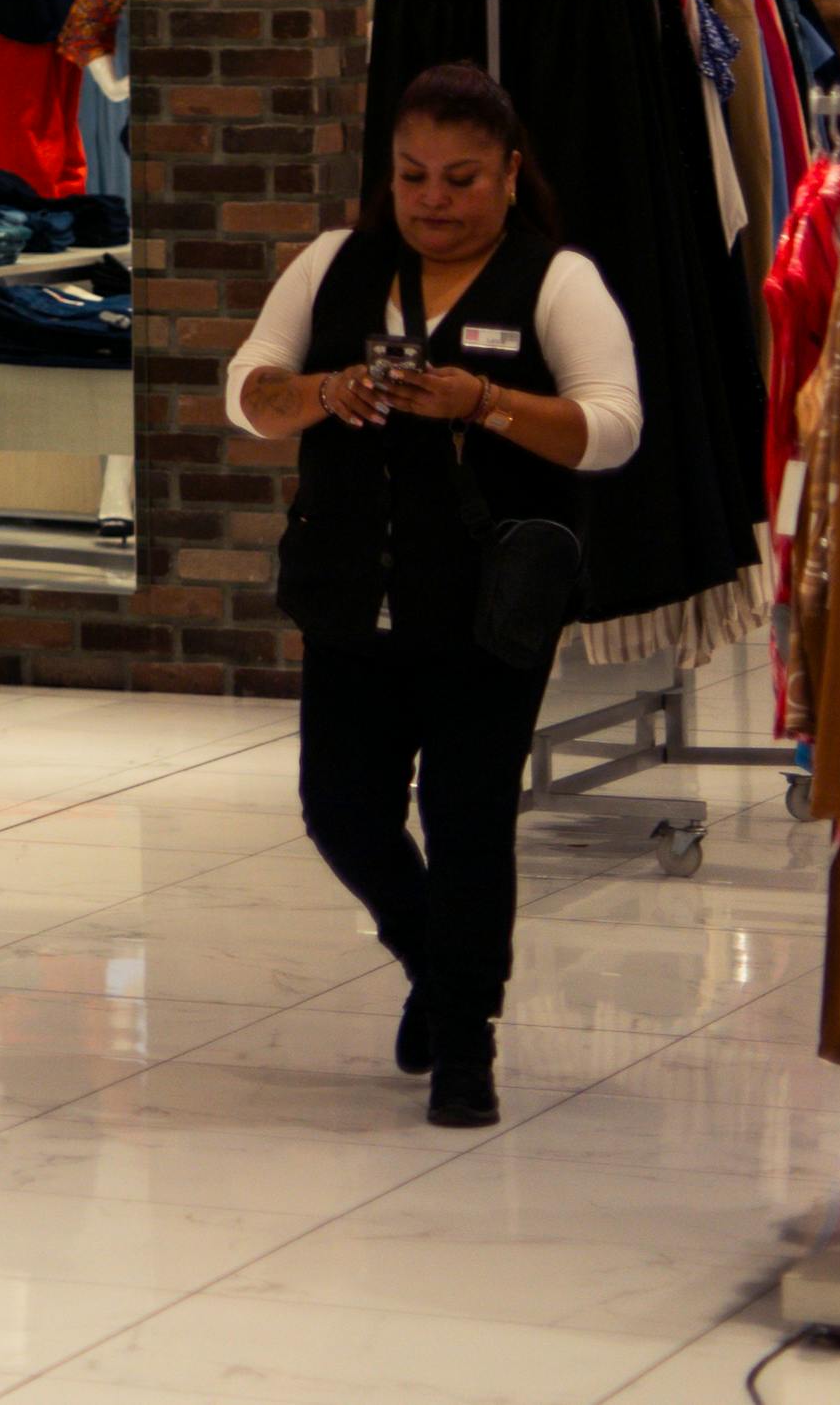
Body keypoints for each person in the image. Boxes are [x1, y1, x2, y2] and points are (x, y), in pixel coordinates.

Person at [224, 62, 643, 1127]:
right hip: (348, 598)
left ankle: (466, 1046)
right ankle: (434, 966)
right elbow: (251, 396)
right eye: (412, 176)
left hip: (485, 616)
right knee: (340, 813)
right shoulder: (334, 265)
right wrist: (330, 391)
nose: (434, 199)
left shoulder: (555, 279)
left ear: (509, 174)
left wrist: (485, 401)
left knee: (468, 825)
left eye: (460, 177)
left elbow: (612, 429)